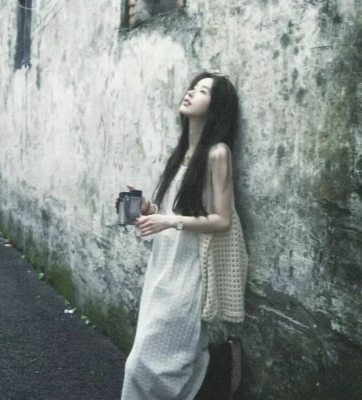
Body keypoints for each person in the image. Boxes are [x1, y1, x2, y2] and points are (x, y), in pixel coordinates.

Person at [121, 71, 248, 400]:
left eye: (203, 91)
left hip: (190, 269)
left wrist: (169, 220)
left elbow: (222, 220)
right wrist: (149, 208)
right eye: (193, 87)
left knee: (143, 365)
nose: (191, 92)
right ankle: (215, 372)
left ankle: (216, 370)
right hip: (163, 266)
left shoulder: (217, 153)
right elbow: (177, 210)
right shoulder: (180, 154)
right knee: (158, 358)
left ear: (217, 106)